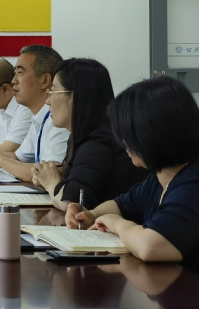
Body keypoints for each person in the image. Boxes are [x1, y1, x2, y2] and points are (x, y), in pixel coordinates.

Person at [66, 76, 199, 265]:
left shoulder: (191, 184)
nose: (123, 143)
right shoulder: (160, 178)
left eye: (128, 134)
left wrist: (117, 224)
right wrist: (91, 215)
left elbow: (151, 247)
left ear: (153, 134)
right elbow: (121, 205)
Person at [30, 58, 146, 211]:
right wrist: (52, 177)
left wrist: (51, 183)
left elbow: (73, 202)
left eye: (52, 92)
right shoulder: (82, 136)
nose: (47, 101)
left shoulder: (99, 142)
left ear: (76, 97)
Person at [0, 45, 69, 182]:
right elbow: (18, 157)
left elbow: (50, 174)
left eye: (20, 73)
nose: (13, 80)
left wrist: (1, 161)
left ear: (44, 81)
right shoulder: (38, 117)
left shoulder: (59, 121)